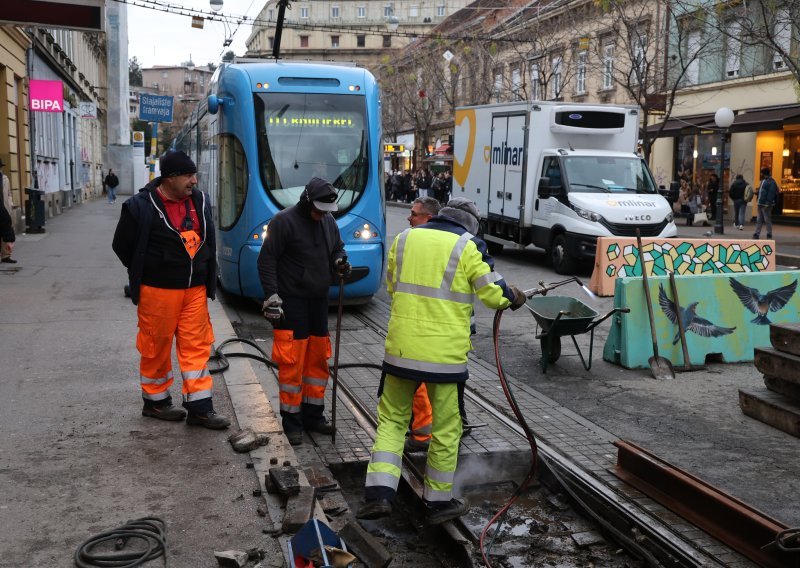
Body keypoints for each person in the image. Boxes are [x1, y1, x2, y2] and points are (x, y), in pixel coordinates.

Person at [356, 198, 526, 525]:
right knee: (447, 429)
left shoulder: (406, 238)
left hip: (401, 351)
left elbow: (392, 286)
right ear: (469, 225)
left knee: (392, 421)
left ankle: (378, 495)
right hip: (444, 359)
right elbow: (493, 293)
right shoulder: (468, 245)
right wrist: (513, 295)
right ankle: (437, 501)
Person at [112, 151, 230, 429]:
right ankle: (156, 402)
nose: (194, 180)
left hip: (194, 290)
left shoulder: (199, 200)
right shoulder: (140, 206)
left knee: (197, 347)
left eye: (194, 175)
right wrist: (150, 268)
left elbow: (208, 237)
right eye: (188, 175)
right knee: (156, 346)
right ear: (169, 178)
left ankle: (201, 408)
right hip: (158, 291)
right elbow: (122, 246)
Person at [257, 177, 350, 446]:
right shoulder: (283, 222)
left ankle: (314, 416)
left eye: (327, 211)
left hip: (318, 300)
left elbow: (337, 248)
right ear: (307, 201)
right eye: (319, 210)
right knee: (293, 363)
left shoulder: (328, 221)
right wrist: (271, 295)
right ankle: (292, 421)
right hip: (291, 302)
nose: (323, 215)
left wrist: (339, 261)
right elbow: (267, 260)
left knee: (317, 361)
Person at [753, 167, 778, 240]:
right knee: (759, 219)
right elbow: (762, 191)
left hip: (766, 204)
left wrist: (768, 202)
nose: (761, 175)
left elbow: (771, 193)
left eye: (762, 173)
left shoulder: (771, 182)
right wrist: (757, 193)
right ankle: (757, 233)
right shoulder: (764, 180)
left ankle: (769, 233)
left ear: (764, 174)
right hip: (760, 203)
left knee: (767, 219)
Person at [0, 159, 16, 264]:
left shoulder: (5, 178)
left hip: (4, 208)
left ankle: (6, 256)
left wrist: (10, 204)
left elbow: (9, 193)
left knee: (5, 231)